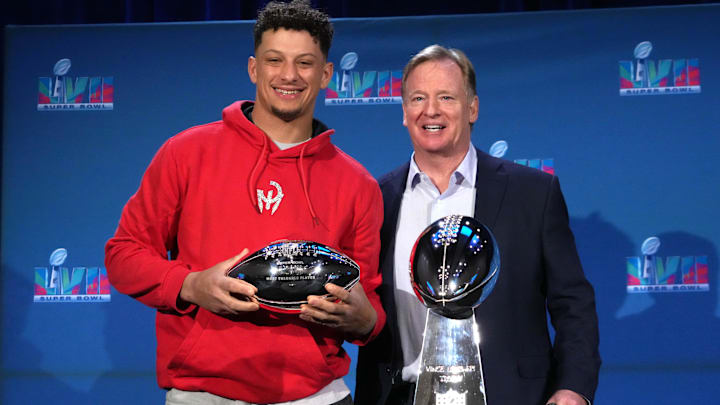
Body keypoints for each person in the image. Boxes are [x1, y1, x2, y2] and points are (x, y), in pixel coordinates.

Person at [105, 1, 385, 404]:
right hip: (204, 392)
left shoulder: (357, 184)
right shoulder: (186, 153)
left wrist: (365, 320)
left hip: (315, 395)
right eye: (275, 60)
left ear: (325, 75)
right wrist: (190, 285)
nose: (289, 75)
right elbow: (124, 253)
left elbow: (368, 300)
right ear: (254, 68)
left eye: (305, 63)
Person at [355, 45, 600, 405]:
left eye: (446, 97)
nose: (431, 110)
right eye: (418, 98)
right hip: (398, 396)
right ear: (405, 112)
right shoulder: (375, 198)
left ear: (472, 108)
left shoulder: (533, 192)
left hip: (509, 396)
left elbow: (573, 303)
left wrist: (573, 387)